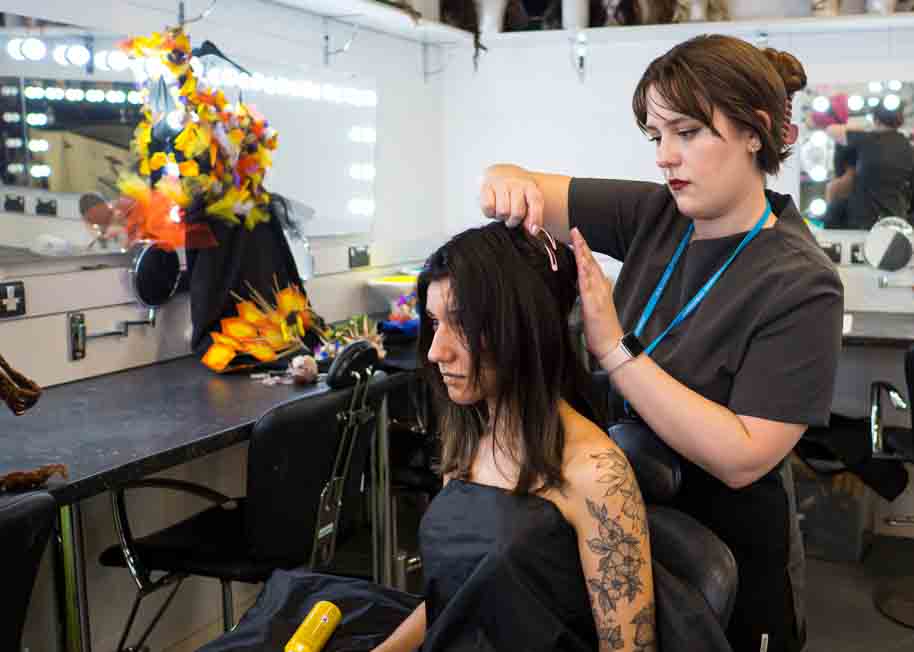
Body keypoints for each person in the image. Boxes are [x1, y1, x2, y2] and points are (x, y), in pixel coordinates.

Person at [481, 34, 843, 652]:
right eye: (655, 136)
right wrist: (504, 183)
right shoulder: (656, 213)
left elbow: (743, 454)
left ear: (755, 131)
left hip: (730, 548)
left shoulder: (801, 282)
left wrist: (616, 351)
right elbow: (520, 181)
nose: (664, 158)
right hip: (625, 525)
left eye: (688, 133)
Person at [200, 222, 656, 652]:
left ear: (522, 328)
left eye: (461, 325)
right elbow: (456, 594)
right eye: (435, 323)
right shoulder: (473, 435)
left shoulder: (597, 474)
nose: (437, 351)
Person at [826, 100, 914, 229]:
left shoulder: (865, 139)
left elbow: (831, 130)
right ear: (901, 120)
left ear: (875, 119)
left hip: (862, 220)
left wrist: (865, 129)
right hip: (895, 223)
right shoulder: (909, 148)